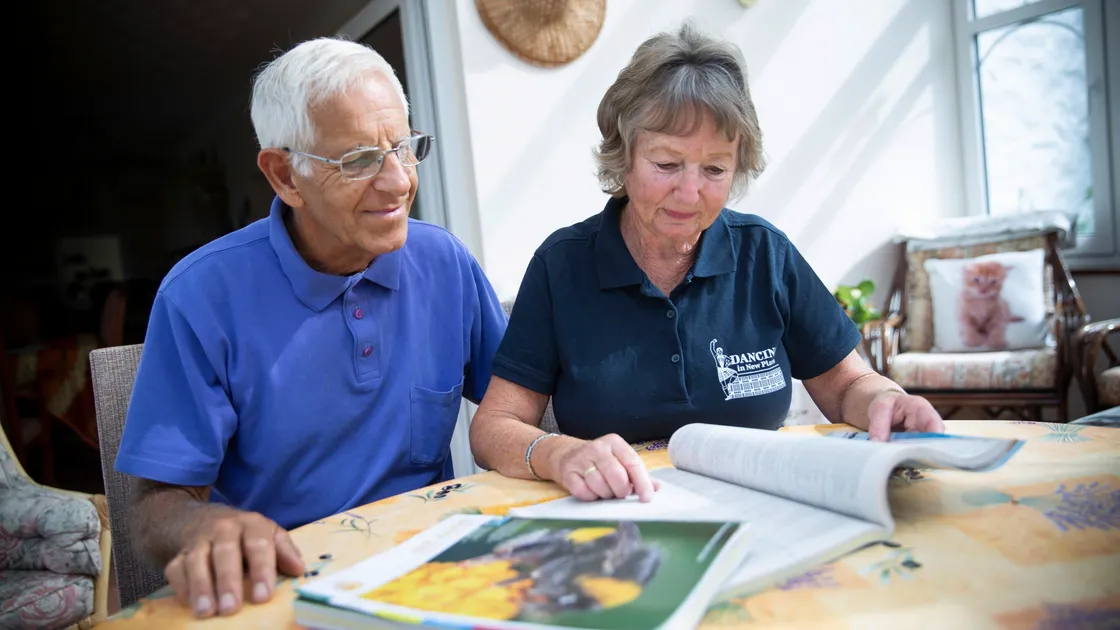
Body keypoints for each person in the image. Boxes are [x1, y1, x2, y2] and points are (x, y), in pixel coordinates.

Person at [469, 23, 944, 504]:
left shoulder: (764, 252)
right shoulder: (562, 265)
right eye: (667, 164)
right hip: (621, 520)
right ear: (624, 156)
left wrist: (888, 401)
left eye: (715, 169)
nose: (690, 193)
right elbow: (493, 427)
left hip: (765, 506)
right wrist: (558, 454)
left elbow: (848, 384)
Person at [115, 38, 506, 618]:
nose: (398, 183)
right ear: (284, 175)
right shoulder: (200, 296)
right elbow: (154, 509)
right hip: (289, 589)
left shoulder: (444, 262)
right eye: (359, 160)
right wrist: (206, 525)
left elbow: (520, 408)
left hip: (437, 576)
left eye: (403, 147)